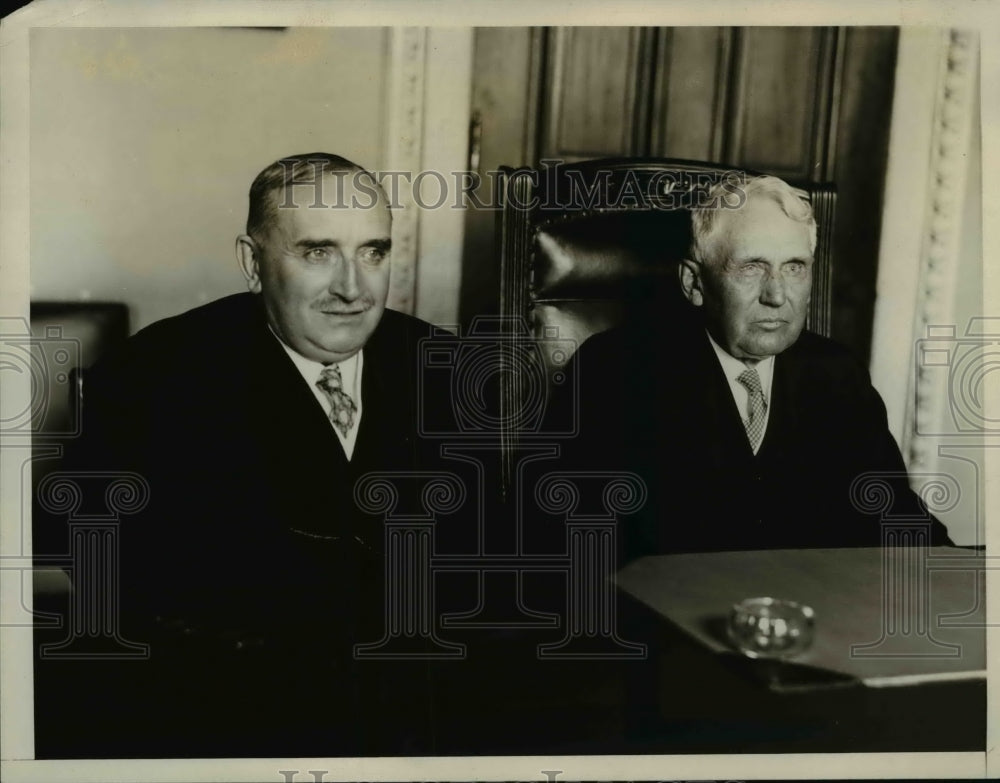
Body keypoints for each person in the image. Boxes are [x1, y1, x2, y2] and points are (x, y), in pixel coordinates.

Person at [40, 153, 453, 756]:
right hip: (229, 717)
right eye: (317, 252)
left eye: (373, 252)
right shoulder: (153, 378)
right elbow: (109, 574)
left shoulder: (447, 369)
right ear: (251, 262)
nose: (353, 288)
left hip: (420, 713)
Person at [560, 174, 953, 562]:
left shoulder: (835, 375)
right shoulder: (614, 374)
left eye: (795, 267)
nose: (777, 295)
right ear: (694, 283)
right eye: (752, 267)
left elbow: (896, 517)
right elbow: (575, 551)